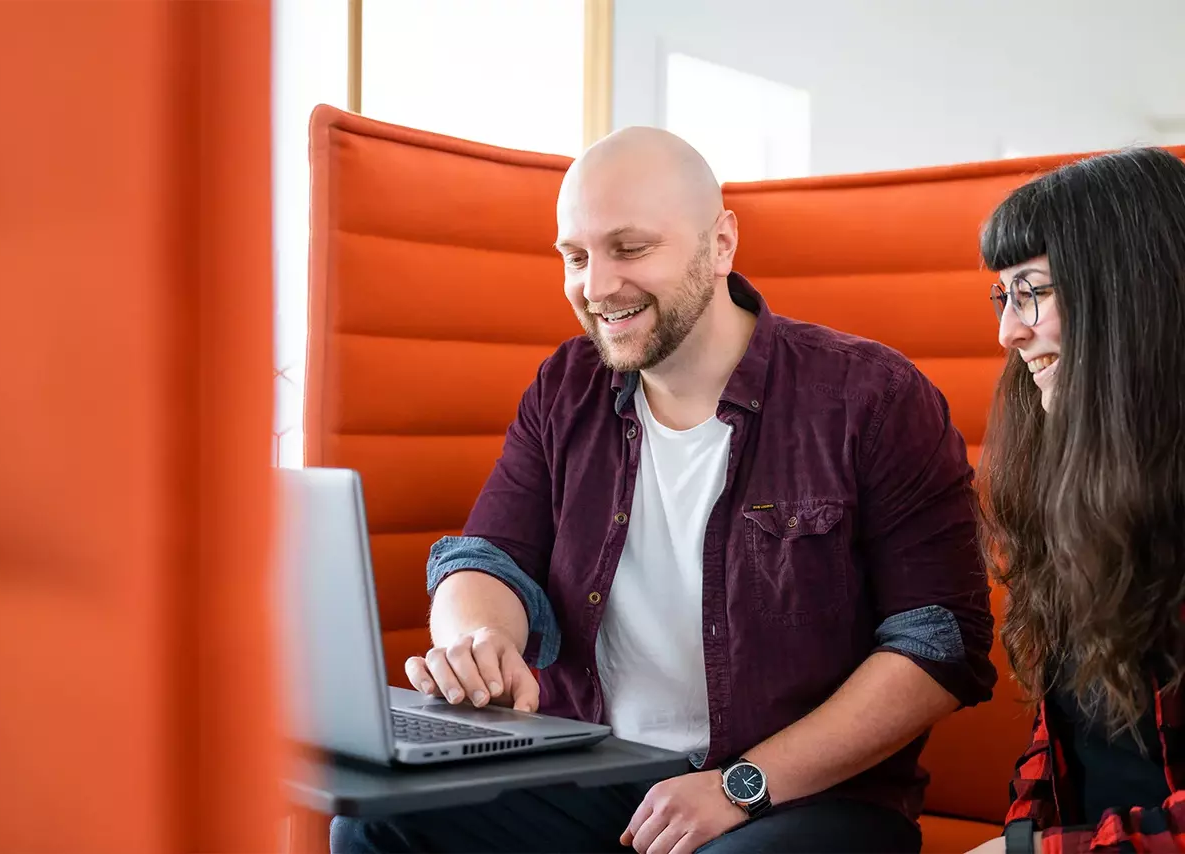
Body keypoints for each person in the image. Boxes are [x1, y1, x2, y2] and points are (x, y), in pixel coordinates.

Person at [331, 126, 997, 854]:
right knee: (374, 824)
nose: (596, 286)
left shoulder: (872, 397)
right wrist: (478, 638)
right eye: (575, 257)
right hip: (599, 772)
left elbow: (941, 644)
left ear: (721, 245)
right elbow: (486, 559)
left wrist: (740, 785)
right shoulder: (566, 386)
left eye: (631, 248)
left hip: (798, 795)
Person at [968, 146, 1185, 854]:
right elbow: (1060, 745)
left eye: (1032, 291)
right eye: (1003, 296)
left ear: (1128, 292)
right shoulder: (1079, 478)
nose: (1009, 332)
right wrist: (1023, 839)